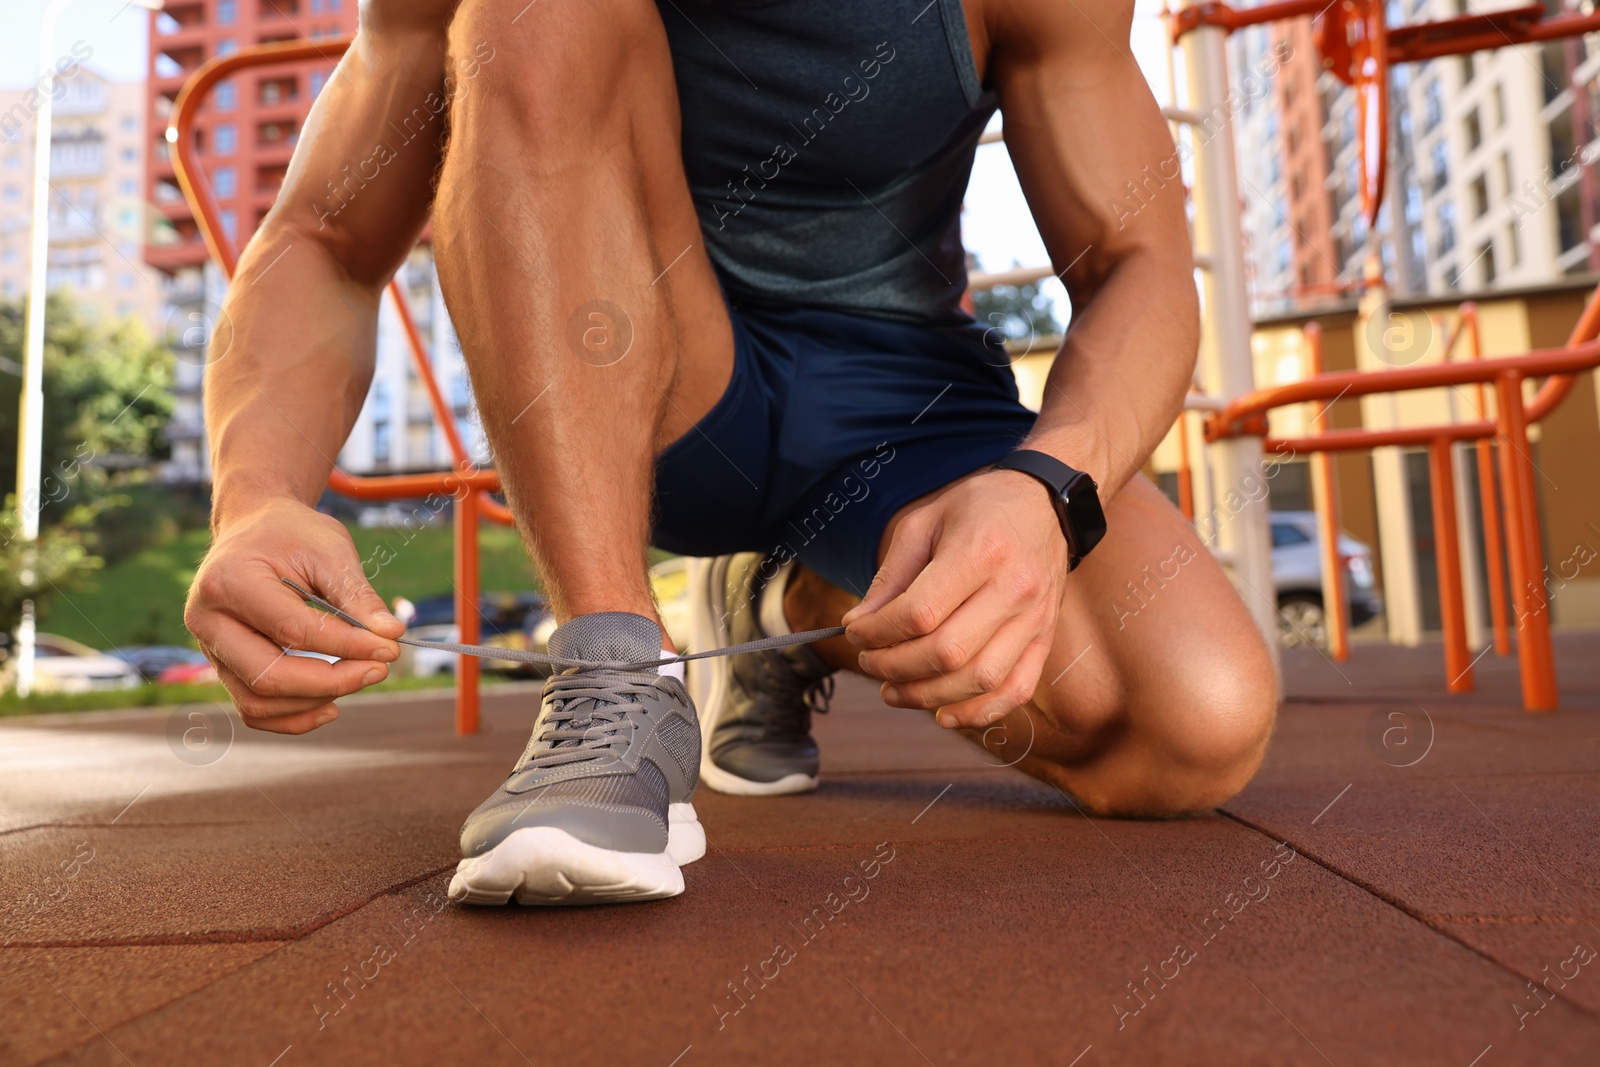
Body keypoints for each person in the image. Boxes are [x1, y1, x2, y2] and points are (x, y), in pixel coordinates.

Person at [184, 0, 1277, 905]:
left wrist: (1047, 490)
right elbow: (323, 239)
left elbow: (1137, 264)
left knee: (1190, 721)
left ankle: (787, 611)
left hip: (902, 401)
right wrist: (257, 499)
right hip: (645, 379)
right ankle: (614, 676)